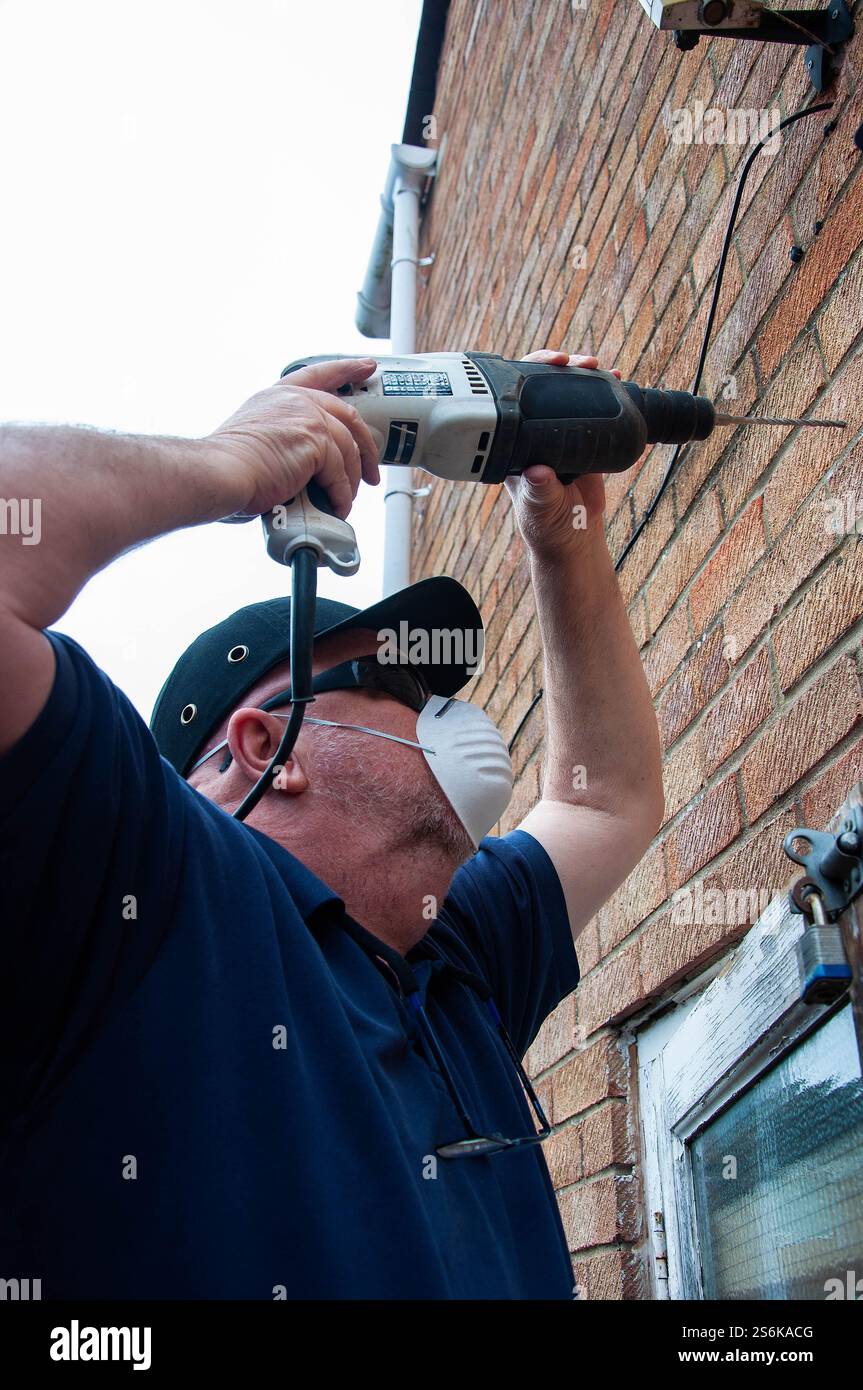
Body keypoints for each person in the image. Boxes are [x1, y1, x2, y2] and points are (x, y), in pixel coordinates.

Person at [0, 348, 664, 1299]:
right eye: (400, 684)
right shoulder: (148, 897)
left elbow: (605, 801)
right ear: (271, 743)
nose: (443, 712)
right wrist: (231, 461)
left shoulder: (446, 961)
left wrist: (563, 538)